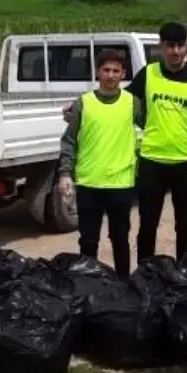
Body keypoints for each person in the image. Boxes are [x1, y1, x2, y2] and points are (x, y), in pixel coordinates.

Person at [127, 22, 187, 263]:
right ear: (161, 47)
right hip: (152, 161)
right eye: (170, 46)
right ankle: (145, 273)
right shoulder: (148, 74)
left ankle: (184, 275)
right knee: (147, 224)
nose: (176, 51)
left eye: (180, 46)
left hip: (185, 161)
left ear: (186, 47)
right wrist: (81, 105)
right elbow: (120, 101)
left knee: (185, 226)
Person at [57, 49, 140, 277]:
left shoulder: (133, 103)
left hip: (121, 184)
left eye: (116, 71)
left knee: (120, 240)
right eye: (106, 70)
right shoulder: (83, 103)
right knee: (88, 241)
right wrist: (65, 173)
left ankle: (124, 284)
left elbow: (153, 130)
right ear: (97, 72)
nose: (111, 75)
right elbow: (69, 141)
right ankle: (89, 288)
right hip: (89, 183)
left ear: (123, 74)